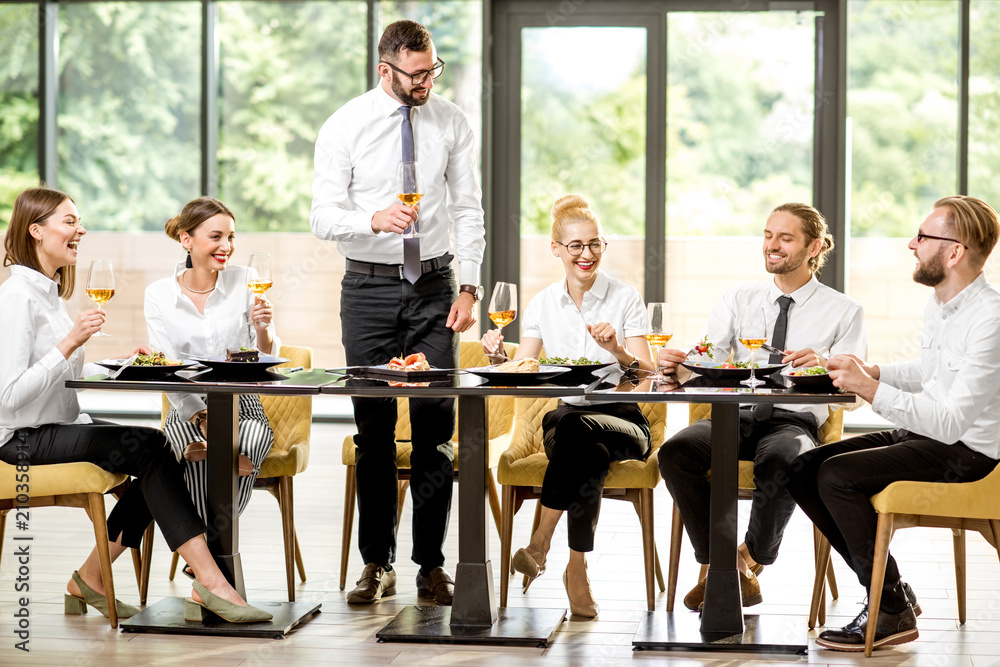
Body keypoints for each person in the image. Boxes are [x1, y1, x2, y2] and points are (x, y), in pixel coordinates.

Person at [0, 186, 270, 623]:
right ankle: (212, 582)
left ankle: (89, 578)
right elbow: (8, 396)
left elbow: (61, 380)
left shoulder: (48, 295)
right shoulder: (17, 297)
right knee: (151, 449)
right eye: (69, 221)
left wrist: (127, 364)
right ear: (36, 230)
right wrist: (71, 341)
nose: (80, 229)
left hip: (58, 421)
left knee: (158, 453)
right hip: (22, 439)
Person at [310, 19, 485, 606]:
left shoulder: (451, 121)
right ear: (384, 69)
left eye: (431, 70)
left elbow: (468, 211)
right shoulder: (345, 125)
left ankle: (431, 566)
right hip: (367, 289)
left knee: (436, 431)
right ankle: (375, 564)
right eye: (414, 74)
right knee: (374, 430)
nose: (425, 83)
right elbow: (321, 217)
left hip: (436, 286)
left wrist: (470, 289)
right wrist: (372, 219)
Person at [787, 195, 1000, 652]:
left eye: (922, 237)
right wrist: (870, 370)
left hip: (969, 453)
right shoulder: (944, 304)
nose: (911, 243)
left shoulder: (991, 319)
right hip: (932, 437)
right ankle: (893, 594)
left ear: (954, 251)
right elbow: (930, 373)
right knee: (802, 470)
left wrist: (868, 389)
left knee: (838, 476)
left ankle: (888, 609)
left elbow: (950, 422)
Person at [657, 202, 867, 611]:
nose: (772, 245)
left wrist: (824, 364)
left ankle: (746, 560)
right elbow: (706, 359)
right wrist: (679, 363)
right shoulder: (738, 299)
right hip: (737, 415)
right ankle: (722, 562)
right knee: (676, 452)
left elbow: (855, 396)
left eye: (785, 238)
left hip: (795, 421)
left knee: (784, 461)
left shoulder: (845, 311)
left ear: (814, 247)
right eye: (769, 235)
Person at [482, 194, 653, 618]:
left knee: (581, 434)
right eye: (575, 245)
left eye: (594, 244)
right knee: (583, 445)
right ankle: (576, 568)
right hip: (567, 419)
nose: (587, 254)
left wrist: (616, 349)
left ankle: (540, 542)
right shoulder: (542, 304)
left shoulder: (625, 297)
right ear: (556, 248)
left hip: (624, 420)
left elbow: (647, 375)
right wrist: (498, 359)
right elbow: (525, 368)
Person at [144, 196, 277, 531]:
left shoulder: (247, 278)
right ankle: (217, 556)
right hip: (186, 402)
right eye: (216, 237)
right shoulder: (158, 294)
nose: (227, 246)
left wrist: (263, 327)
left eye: (231, 237)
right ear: (186, 240)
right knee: (197, 454)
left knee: (252, 438)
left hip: (241, 401)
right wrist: (201, 416)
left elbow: (266, 354)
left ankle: (203, 552)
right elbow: (165, 367)